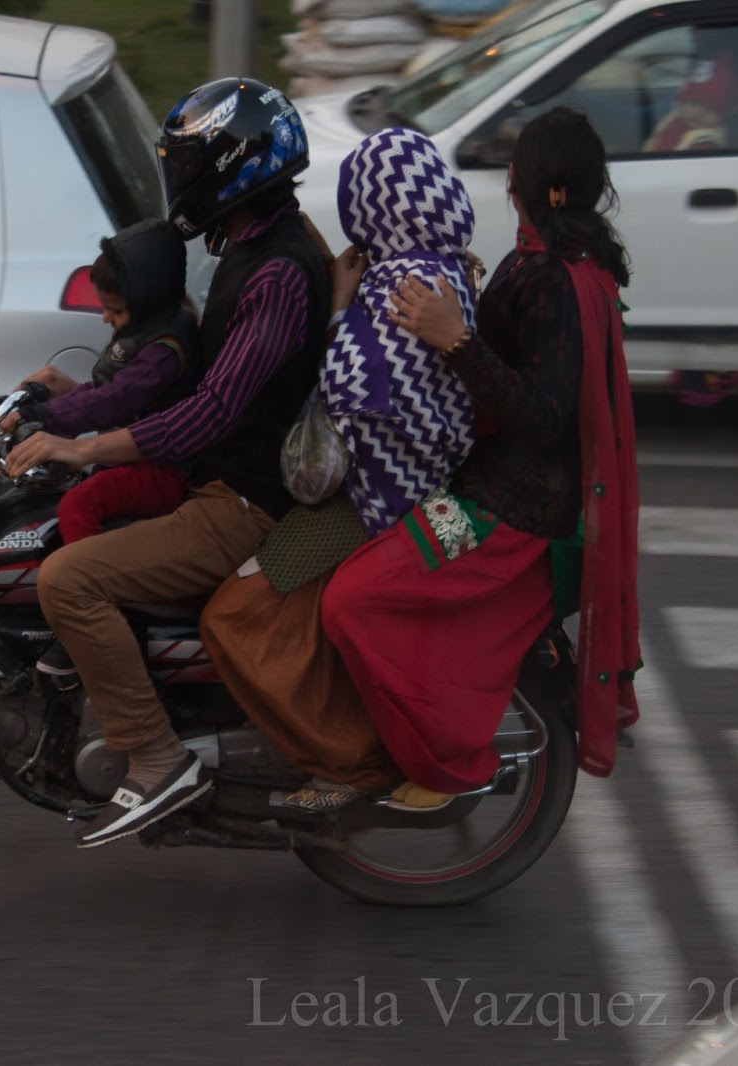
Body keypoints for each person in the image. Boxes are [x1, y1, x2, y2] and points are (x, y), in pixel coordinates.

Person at [3, 77, 329, 848]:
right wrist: (76, 408)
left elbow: (213, 409)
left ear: (232, 167)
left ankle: (156, 756)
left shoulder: (278, 274)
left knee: (68, 580)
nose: (179, 182)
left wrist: (83, 446)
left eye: (187, 166)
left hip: (241, 501)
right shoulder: (255, 246)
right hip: (215, 480)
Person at [321, 106, 642, 811]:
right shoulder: (540, 261)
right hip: (490, 486)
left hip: (508, 511)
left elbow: (545, 416)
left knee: (354, 600)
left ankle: (445, 762)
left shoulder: (556, 279)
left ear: (525, 183)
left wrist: (458, 341)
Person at [197, 126, 483, 813]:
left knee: (232, 617)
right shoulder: (437, 267)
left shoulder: (406, 286)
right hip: (409, 486)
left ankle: (348, 766)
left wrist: (330, 315)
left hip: (370, 501)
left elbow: (357, 394)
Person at [0, 220, 204, 678]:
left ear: (146, 302)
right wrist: (52, 391)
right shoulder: (150, 331)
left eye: (115, 310)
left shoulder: (166, 348)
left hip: (164, 468)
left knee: (79, 504)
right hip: (133, 452)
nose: (106, 319)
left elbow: (117, 400)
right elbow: (108, 391)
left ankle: (97, 612)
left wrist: (48, 416)